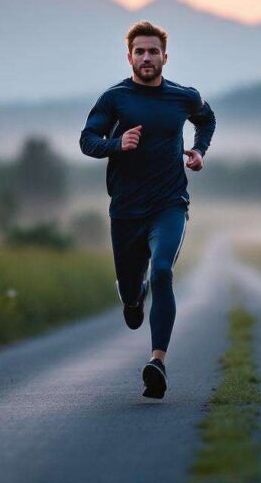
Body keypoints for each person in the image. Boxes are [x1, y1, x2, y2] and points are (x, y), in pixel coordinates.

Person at [79, 20, 216, 399]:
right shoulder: (115, 98)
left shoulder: (183, 97)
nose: (146, 57)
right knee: (130, 292)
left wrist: (199, 150)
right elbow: (87, 140)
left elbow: (207, 118)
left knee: (162, 271)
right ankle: (132, 296)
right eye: (139, 51)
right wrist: (117, 143)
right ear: (129, 57)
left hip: (170, 204)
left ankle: (157, 362)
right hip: (125, 210)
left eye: (153, 51)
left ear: (165, 57)